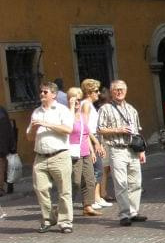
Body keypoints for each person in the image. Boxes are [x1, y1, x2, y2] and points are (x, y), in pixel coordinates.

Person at [97, 80, 147, 227]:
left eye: (121, 89)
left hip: (132, 149)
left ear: (126, 91)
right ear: (112, 92)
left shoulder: (131, 109)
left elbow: (136, 131)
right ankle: (124, 214)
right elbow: (100, 129)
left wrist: (141, 150)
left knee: (136, 182)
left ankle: (133, 211)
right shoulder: (105, 109)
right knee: (121, 183)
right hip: (116, 149)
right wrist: (118, 130)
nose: (119, 92)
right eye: (116, 90)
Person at [26, 81, 74, 233]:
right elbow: (29, 138)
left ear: (53, 94)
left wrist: (46, 124)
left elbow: (68, 129)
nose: (42, 94)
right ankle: (48, 219)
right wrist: (33, 129)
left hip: (59, 155)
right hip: (40, 157)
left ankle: (65, 222)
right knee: (40, 189)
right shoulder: (36, 112)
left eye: (45, 92)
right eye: (41, 91)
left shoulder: (62, 110)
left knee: (64, 191)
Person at [66, 87, 101, 218]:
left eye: (79, 99)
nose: (76, 102)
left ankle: (88, 206)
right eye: (73, 99)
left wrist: (92, 150)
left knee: (89, 179)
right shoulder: (65, 114)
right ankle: (65, 206)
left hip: (85, 151)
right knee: (75, 181)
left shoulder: (81, 115)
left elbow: (85, 134)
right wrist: (70, 107)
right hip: (73, 153)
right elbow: (68, 127)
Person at [80, 79, 111, 210]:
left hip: (94, 137)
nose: (98, 94)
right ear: (89, 92)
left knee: (98, 169)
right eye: (96, 91)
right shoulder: (86, 104)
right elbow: (85, 126)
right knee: (96, 170)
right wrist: (96, 143)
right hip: (91, 138)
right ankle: (93, 198)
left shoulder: (89, 104)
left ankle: (97, 197)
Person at [0, 105, 15, 196]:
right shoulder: (2, 110)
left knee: (1, 165)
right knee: (4, 165)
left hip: (2, 144)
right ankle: (9, 183)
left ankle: (1, 188)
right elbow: (9, 129)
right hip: (5, 144)